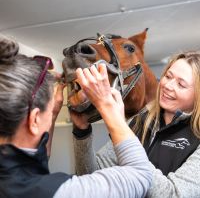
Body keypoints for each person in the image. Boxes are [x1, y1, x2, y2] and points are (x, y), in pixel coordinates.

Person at [0, 37, 152, 198]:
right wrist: (108, 107)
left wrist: (52, 113)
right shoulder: (57, 192)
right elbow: (140, 174)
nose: (53, 110)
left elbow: (31, 161)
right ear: (34, 119)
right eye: (49, 108)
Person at [72, 51, 200, 198]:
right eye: (168, 76)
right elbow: (91, 174)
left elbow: (174, 195)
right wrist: (82, 132)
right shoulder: (141, 120)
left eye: (181, 84)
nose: (168, 86)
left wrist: (119, 126)